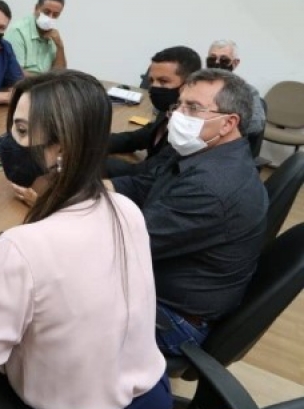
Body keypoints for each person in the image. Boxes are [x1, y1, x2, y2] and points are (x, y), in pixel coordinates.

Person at [0, 71, 170, 409]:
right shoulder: (125, 208)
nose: (7, 142)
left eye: (20, 130)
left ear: (63, 148)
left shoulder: (22, 247)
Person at [109, 69, 268, 355]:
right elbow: (143, 185)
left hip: (172, 319)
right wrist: (83, 191)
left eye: (192, 108)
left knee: (51, 300)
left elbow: (124, 243)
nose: (177, 115)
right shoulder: (205, 152)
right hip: (163, 287)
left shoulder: (212, 186)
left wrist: (67, 211)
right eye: (179, 105)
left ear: (228, 123)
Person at [106, 46, 201, 178]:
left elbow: (144, 173)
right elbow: (141, 137)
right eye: (151, 81)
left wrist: (87, 161)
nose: (154, 87)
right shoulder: (170, 108)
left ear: (188, 84)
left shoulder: (191, 129)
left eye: (163, 81)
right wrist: (94, 143)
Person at [206, 39, 266, 137]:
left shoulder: (248, 91)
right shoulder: (195, 84)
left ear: (235, 63)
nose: (216, 63)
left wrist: (223, 128)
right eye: (212, 59)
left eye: (224, 60)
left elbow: (256, 125)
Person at [4, 0, 67, 75]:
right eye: (47, 12)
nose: (50, 17)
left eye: (55, 15)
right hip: (22, 86)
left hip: (44, 85)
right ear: (36, 8)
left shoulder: (53, 36)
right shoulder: (18, 31)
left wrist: (60, 46)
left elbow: (60, 74)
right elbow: (16, 73)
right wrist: (47, 83)